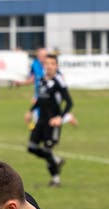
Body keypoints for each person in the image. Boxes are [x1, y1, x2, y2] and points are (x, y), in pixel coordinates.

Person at [24, 53, 73, 187]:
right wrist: (30, 110)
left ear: (56, 66)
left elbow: (69, 103)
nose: (49, 66)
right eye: (47, 64)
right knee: (31, 147)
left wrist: (60, 118)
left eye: (52, 64)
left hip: (53, 123)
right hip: (41, 121)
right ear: (43, 65)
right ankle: (56, 160)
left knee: (47, 150)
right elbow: (40, 99)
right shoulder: (41, 80)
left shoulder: (59, 81)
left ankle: (56, 180)